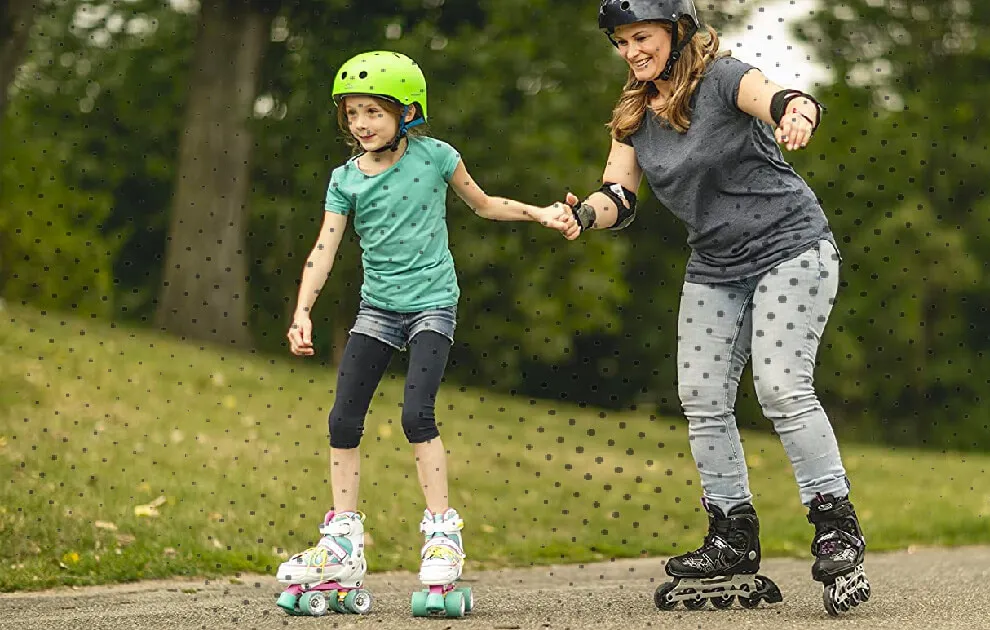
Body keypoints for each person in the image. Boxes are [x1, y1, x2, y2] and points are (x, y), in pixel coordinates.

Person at [558, 0, 871, 615]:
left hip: (792, 247)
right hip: (717, 265)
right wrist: (581, 215)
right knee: (701, 396)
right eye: (620, 43)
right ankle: (733, 535)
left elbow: (779, 97)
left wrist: (799, 111)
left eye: (640, 37)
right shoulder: (632, 114)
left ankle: (837, 525)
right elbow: (619, 196)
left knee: (782, 388)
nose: (631, 52)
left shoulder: (722, 78)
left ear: (677, 32)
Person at [274, 50, 573, 617]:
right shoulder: (345, 180)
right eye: (353, 113)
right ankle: (341, 543)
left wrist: (539, 213)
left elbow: (483, 205)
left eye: (374, 112)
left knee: (417, 415)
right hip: (378, 309)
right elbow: (324, 248)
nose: (362, 124)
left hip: (433, 304)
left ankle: (441, 535)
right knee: (342, 419)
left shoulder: (437, 158)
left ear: (406, 113)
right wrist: (302, 311)